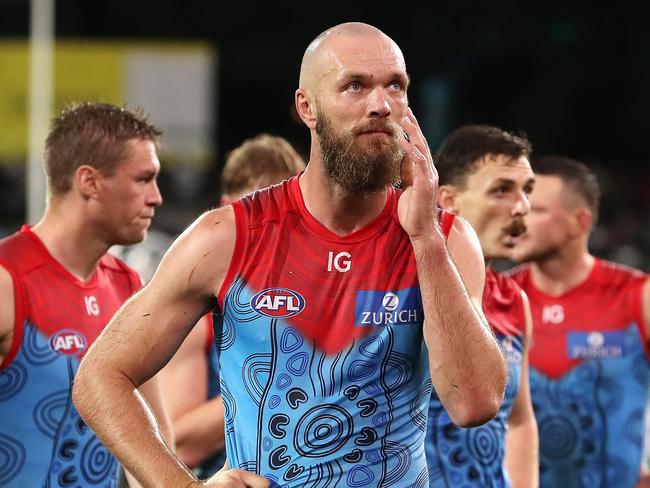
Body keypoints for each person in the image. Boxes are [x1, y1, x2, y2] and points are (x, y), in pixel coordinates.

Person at [72, 22, 508, 487]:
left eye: (395, 87)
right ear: (308, 107)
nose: (381, 104)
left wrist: (424, 237)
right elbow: (101, 377)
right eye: (355, 85)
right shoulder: (228, 237)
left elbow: (474, 403)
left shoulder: (445, 239)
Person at [0, 102, 171, 488]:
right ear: (89, 182)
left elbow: (152, 448)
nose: (156, 197)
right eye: (143, 179)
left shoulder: (127, 286)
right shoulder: (8, 281)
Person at [159, 133, 306, 477]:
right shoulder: (200, 310)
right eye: (259, 209)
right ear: (227, 206)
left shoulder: (325, 297)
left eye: (289, 212)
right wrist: (285, 385)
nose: (275, 226)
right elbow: (179, 441)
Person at [508, 156, 650, 488]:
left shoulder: (637, 296)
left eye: (537, 210)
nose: (520, 219)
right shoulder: (499, 298)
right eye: (521, 206)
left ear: (579, 222)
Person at [428, 124, 539, 487]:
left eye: (527, 190)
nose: (522, 207)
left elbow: (519, 419)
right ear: (448, 200)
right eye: (502, 190)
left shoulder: (514, 300)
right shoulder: (404, 285)